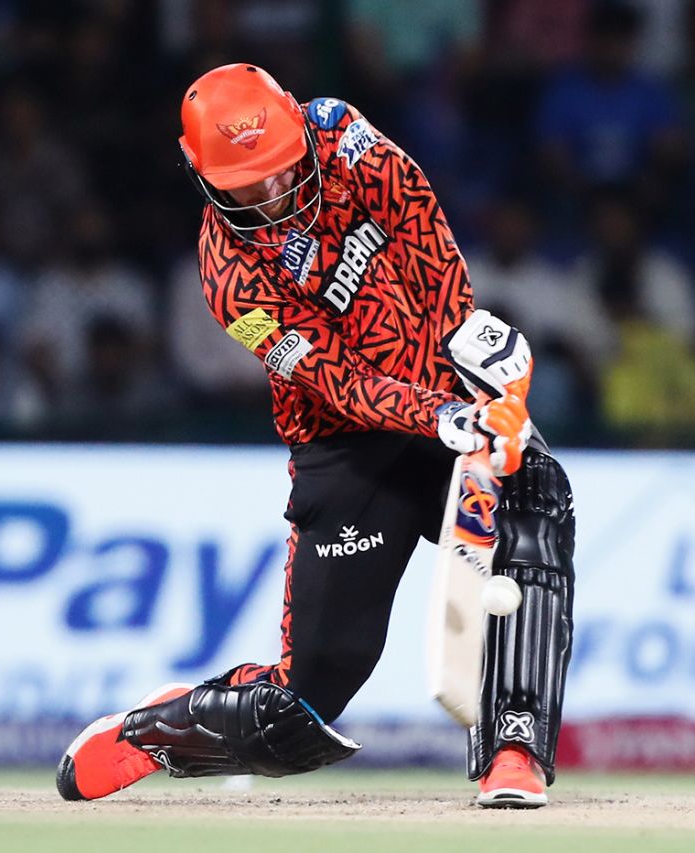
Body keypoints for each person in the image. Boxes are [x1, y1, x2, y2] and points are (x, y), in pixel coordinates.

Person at [56, 64, 576, 809]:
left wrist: (464, 339)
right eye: (248, 187)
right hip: (346, 445)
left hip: (446, 389)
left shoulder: (339, 132)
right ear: (202, 176)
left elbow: (420, 221)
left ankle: (514, 748)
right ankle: (157, 729)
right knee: (298, 711)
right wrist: (439, 415)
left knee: (535, 496)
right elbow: (333, 378)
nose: (274, 197)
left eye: (281, 171)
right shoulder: (230, 280)